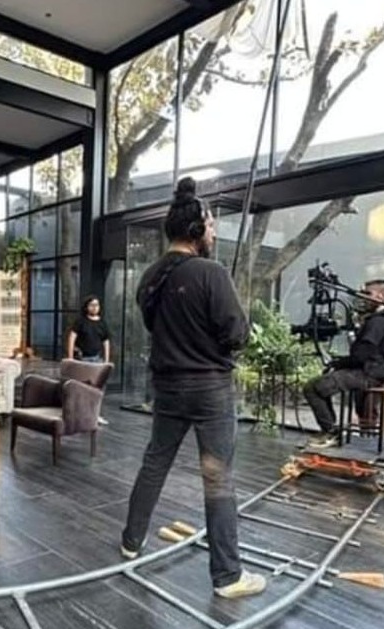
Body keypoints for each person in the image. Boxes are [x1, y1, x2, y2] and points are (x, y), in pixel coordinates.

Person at [120, 177, 265, 599]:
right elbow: (236, 334)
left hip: (167, 387)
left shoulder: (150, 277)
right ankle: (228, 576)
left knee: (154, 463)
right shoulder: (211, 273)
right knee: (218, 478)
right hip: (209, 389)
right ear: (197, 228)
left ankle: (131, 541)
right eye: (212, 226)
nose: (214, 233)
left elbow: (156, 326)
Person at [303, 280, 384, 448]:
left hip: (369, 373)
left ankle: (331, 432)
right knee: (321, 384)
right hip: (370, 370)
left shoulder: (378, 322)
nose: (362, 298)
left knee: (313, 387)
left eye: (367, 294)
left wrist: (339, 363)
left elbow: (362, 354)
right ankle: (332, 430)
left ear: (382, 296)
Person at [67, 295, 111, 364]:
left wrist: (106, 361)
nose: (94, 307)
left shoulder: (102, 323)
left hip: (97, 358)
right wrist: (70, 358)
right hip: (81, 358)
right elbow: (72, 338)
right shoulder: (80, 321)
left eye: (96, 305)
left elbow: (106, 342)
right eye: (92, 305)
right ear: (86, 307)